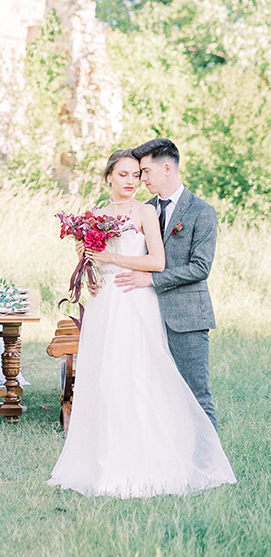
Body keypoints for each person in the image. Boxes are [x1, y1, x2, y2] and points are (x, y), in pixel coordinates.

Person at [47, 148, 235, 498]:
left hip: (135, 301)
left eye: (138, 174)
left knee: (141, 377)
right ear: (109, 177)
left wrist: (113, 258)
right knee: (105, 379)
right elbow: (91, 256)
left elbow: (158, 261)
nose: (134, 181)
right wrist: (89, 268)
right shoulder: (97, 214)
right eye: (126, 175)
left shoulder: (147, 210)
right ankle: (102, 458)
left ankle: (189, 462)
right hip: (105, 303)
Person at [115, 138, 218, 428]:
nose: (141, 178)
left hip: (186, 317)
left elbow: (200, 267)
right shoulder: (143, 210)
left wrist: (152, 278)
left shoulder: (201, 211)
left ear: (167, 168)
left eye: (145, 171)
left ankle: (208, 467)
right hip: (143, 314)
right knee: (155, 394)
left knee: (196, 394)